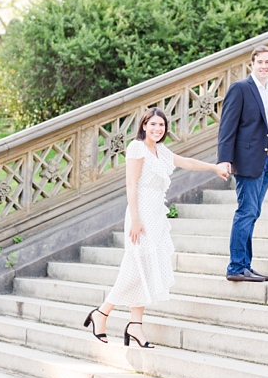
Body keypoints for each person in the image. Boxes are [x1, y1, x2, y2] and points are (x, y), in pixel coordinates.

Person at [83, 107, 231, 348]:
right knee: (134, 267)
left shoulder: (161, 151)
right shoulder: (137, 147)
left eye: (161, 125)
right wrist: (135, 219)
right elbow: (131, 184)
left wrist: (214, 167)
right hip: (139, 214)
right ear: (144, 126)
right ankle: (102, 312)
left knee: (145, 269)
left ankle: (135, 325)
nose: (157, 129)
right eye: (152, 124)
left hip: (156, 216)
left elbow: (188, 162)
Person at [217, 44, 268, 282]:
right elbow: (227, 128)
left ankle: (245, 265)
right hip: (247, 160)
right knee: (246, 211)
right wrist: (225, 159)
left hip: (267, 160)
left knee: (253, 212)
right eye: (260, 62)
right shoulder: (240, 89)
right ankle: (236, 267)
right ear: (252, 64)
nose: (265, 66)